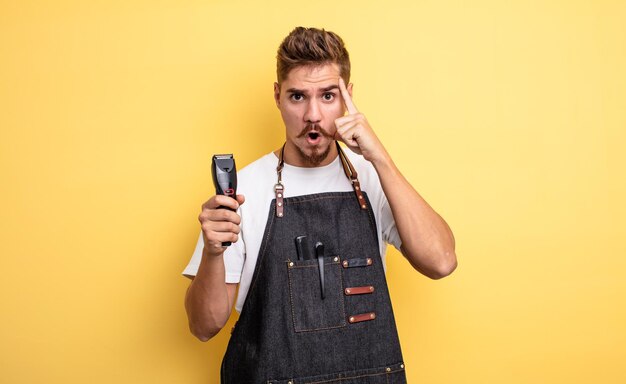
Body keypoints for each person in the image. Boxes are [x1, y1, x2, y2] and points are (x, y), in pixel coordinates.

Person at [183, 26, 457, 383]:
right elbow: (204, 326)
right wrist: (214, 253)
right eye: (298, 97)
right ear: (278, 97)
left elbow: (441, 261)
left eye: (328, 96)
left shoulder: (373, 178)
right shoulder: (244, 190)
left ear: (348, 97)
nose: (313, 115)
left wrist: (380, 159)